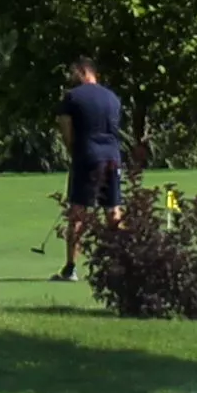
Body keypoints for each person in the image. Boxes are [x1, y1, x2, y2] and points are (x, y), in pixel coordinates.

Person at [55, 55, 132, 274]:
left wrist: (72, 151)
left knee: (78, 212)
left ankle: (70, 268)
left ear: (82, 71)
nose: (71, 77)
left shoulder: (72, 97)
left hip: (87, 156)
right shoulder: (113, 98)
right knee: (113, 210)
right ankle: (123, 261)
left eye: (73, 73)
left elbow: (65, 127)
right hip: (112, 157)